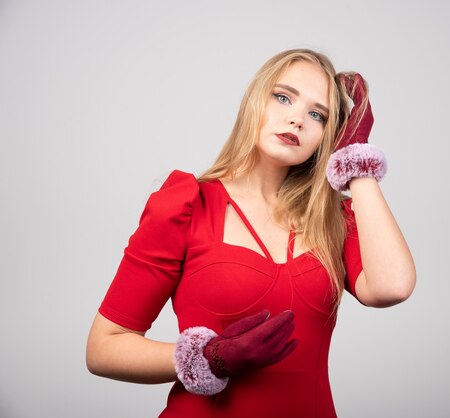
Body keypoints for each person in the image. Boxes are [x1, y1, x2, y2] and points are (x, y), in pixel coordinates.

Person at [86, 48, 416, 417]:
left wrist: (356, 159)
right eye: (283, 97)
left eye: (317, 115)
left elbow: (392, 287)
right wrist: (208, 357)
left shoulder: (333, 218)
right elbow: (103, 348)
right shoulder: (186, 205)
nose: (297, 120)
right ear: (254, 101)